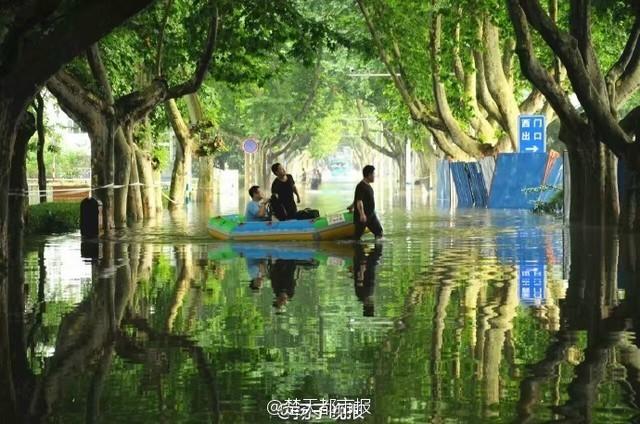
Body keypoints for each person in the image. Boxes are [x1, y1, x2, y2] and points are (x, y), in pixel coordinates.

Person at [347, 165, 383, 241]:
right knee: (357, 237)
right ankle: (356, 250)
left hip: (371, 215)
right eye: (373, 174)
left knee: (379, 232)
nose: (374, 176)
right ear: (369, 175)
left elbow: (358, 199)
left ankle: (377, 251)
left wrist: (352, 206)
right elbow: (359, 201)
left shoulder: (368, 185)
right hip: (363, 217)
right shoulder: (361, 186)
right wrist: (362, 214)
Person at [352, 243, 383, 316]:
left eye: (371, 305)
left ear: (368, 305)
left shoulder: (364, 294)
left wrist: (363, 265)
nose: (373, 302)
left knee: (377, 250)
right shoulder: (366, 295)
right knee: (377, 251)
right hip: (367, 266)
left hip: (365, 265)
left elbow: (360, 280)